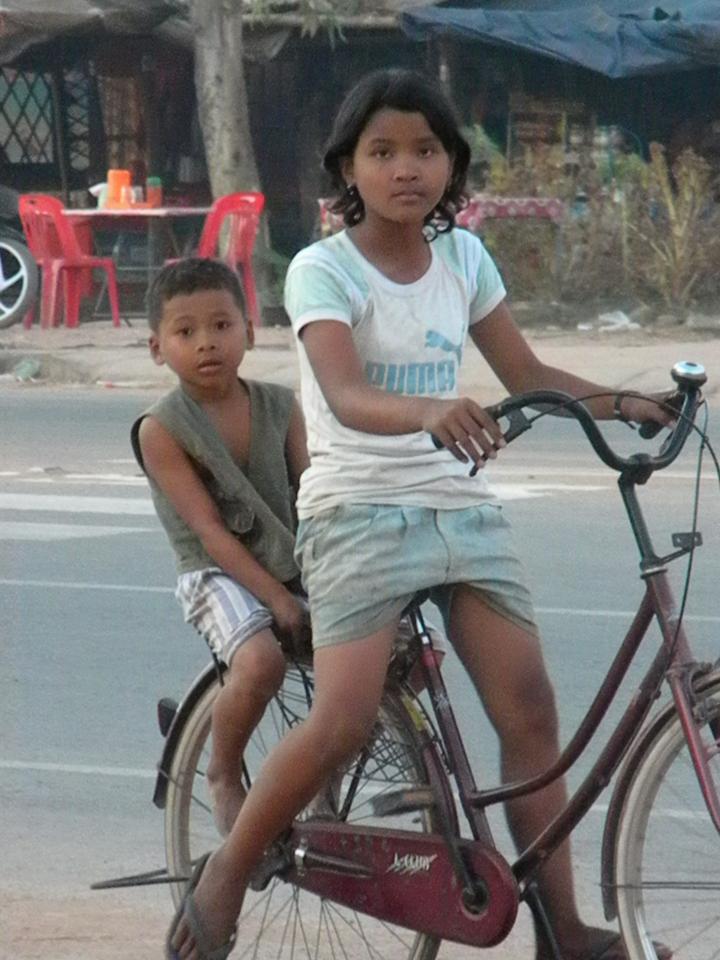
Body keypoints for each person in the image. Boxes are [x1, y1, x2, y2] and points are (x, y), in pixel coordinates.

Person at [166, 72, 673, 960]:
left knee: (531, 714)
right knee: (345, 718)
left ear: (451, 166)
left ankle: (563, 933)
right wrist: (431, 412)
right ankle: (224, 875)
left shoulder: (467, 261)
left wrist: (624, 402)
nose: (408, 169)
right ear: (348, 170)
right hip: (357, 510)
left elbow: (527, 376)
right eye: (384, 152)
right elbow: (348, 394)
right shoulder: (324, 268)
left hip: (458, 506)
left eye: (427, 150)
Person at [132, 258, 309, 839]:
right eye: (186, 332)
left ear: (250, 332)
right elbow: (209, 531)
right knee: (260, 662)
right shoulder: (162, 429)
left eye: (221, 325)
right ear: (159, 348)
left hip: (291, 559)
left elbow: (310, 495)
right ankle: (223, 770)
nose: (206, 343)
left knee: (387, 654)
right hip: (217, 572)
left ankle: (328, 775)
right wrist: (278, 601)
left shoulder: (282, 407)